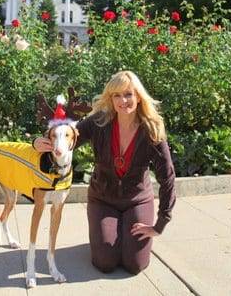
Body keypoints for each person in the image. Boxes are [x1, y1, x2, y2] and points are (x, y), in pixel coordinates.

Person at [33, 70, 176, 274]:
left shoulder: (151, 129)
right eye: (116, 95)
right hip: (103, 199)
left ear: (138, 96)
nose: (123, 100)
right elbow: (66, 137)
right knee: (105, 262)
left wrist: (160, 224)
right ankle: (106, 235)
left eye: (128, 94)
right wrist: (38, 142)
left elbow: (167, 177)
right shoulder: (99, 122)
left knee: (134, 264)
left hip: (137, 200)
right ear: (110, 98)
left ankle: (123, 238)